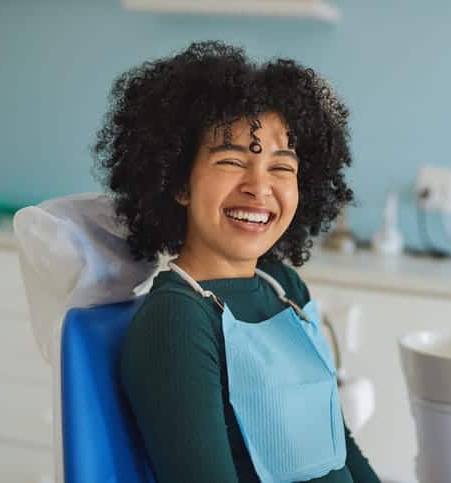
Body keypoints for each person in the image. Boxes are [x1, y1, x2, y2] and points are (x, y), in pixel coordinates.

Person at [94, 40, 380, 482]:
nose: (259, 187)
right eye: (232, 161)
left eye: (281, 167)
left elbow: (337, 445)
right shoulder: (178, 320)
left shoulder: (282, 286)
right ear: (178, 183)